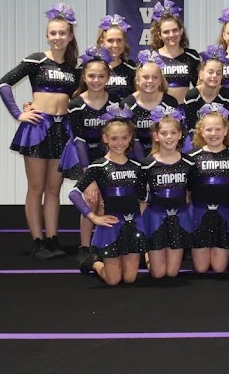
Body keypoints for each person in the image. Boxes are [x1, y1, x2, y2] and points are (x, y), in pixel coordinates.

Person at [0, 3, 80, 259]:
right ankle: (37, 240)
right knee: (36, 187)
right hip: (38, 127)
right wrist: (18, 113)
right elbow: (3, 83)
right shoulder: (36, 60)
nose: (57, 37)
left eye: (62, 33)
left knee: (54, 188)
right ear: (47, 35)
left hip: (63, 128)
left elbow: (81, 98)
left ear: (70, 36)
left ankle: (53, 238)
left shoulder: (75, 68)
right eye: (53, 33)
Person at [74, 107, 145, 284]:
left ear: (130, 138)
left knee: (129, 279)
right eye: (114, 138)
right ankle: (94, 263)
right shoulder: (98, 166)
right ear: (105, 138)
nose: (119, 143)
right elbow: (74, 193)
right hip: (110, 225)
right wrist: (93, 217)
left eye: (124, 138)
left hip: (132, 225)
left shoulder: (137, 167)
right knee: (113, 281)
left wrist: (140, 222)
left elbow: (143, 197)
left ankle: (117, 261)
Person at [60, 46, 113, 260]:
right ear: (84, 77)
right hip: (85, 156)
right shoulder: (76, 104)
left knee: (106, 201)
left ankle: (101, 245)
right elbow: (79, 139)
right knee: (91, 199)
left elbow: (117, 136)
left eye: (101, 76)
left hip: (108, 156)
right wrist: (88, 176)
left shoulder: (115, 102)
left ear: (108, 78)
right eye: (91, 76)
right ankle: (84, 247)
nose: (96, 80)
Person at [188, 104, 229, 274]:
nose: (213, 133)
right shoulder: (191, 157)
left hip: (226, 213)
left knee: (219, 268)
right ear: (201, 132)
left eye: (218, 129)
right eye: (209, 129)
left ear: (226, 131)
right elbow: (187, 188)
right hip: (200, 214)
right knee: (201, 269)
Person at [138, 106, 194, 279]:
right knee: (158, 274)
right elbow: (142, 196)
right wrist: (140, 225)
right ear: (156, 136)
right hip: (156, 218)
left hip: (179, 218)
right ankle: (147, 254)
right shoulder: (147, 164)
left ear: (180, 134)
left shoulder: (189, 163)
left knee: (172, 273)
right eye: (164, 133)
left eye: (173, 133)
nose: (169, 137)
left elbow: (191, 192)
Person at [122, 50, 179, 155]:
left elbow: (176, 134)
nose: (150, 81)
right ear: (137, 79)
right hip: (134, 155)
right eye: (145, 77)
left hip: (163, 154)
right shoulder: (127, 104)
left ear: (160, 81)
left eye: (155, 77)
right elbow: (126, 137)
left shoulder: (169, 103)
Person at [182, 46, 229, 151]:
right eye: (210, 72)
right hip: (197, 142)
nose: (214, 76)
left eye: (218, 73)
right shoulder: (192, 96)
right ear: (201, 74)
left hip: (221, 141)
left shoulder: (226, 95)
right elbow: (191, 128)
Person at [149, 0, 201, 105]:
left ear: (181, 31)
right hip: (159, 111)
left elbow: (200, 87)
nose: (171, 35)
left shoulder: (192, 57)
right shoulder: (152, 58)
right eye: (166, 32)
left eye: (175, 30)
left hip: (184, 111)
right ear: (159, 34)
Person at [96, 14, 136, 102]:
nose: (115, 45)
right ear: (101, 41)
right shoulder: (89, 66)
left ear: (125, 41)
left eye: (119, 40)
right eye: (110, 40)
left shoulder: (132, 68)